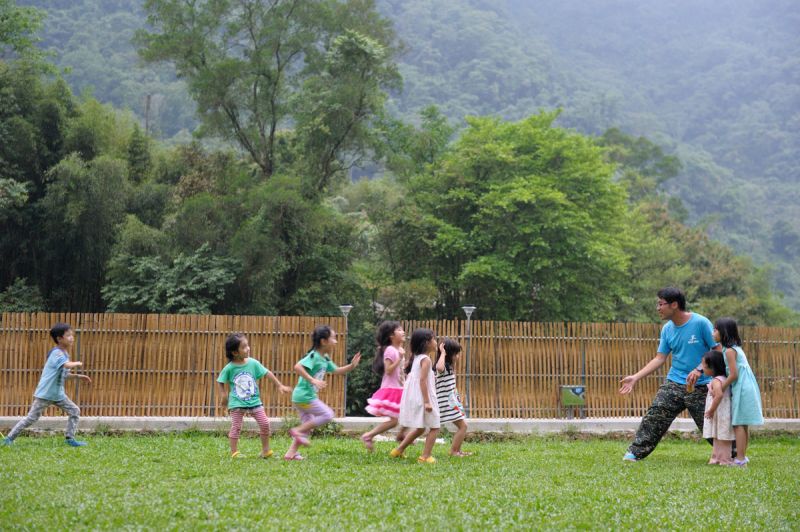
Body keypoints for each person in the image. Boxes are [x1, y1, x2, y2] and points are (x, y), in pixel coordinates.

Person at [619, 287, 718, 461]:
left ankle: (732, 453)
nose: (658, 308)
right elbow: (659, 358)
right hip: (674, 382)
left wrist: (699, 369)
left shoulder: (701, 323)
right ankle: (636, 452)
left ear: (674, 305)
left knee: (709, 425)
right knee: (655, 415)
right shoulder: (667, 329)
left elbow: (716, 349)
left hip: (702, 384)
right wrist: (635, 377)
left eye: (660, 304)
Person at [2, 323, 92, 447]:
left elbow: (64, 374)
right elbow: (66, 365)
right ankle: (9, 439)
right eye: (68, 335)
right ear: (59, 339)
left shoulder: (65, 355)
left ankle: (70, 439)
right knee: (31, 418)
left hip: (58, 394)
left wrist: (78, 377)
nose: (72, 338)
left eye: (72, 335)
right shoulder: (57, 353)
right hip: (45, 394)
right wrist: (77, 363)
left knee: (74, 411)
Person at [284, 325, 361, 461]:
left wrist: (352, 366)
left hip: (304, 397)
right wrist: (312, 380)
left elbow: (337, 370)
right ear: (324, 341)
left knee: (308, 425)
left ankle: (291, 454)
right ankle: (297, 431)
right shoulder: (313, 356)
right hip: (304, 397)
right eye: (333, 338)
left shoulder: (324, 358)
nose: (336, 341)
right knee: (328, 414)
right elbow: (297, 366)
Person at [216, 333, 291, 458]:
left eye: (247, 345)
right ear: (235, 352)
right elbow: (220, 381)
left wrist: (279, 385)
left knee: (265, 424)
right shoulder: (229, 368)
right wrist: (224, 396)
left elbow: (267, 373)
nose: (248, 348)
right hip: (237, 402)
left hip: (255, 401)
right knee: (236, 427)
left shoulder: (253, 363)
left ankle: (265, 451)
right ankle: (234, 452)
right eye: (244, 347)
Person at [713, 317, 764, 466]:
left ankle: (740, 459)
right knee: (742, 423)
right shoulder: (732, 348)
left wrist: (720, 388)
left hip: (742, 387)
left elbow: (734, 374)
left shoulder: (729, 351)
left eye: (715, 329)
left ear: (723, 332)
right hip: (745, 386)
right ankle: (742, 457)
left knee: (738, 423)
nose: (713, 332)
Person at [390, 328, 440, 464]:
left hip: (417, 397)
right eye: (434, 339)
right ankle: (425, 456)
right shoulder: (426, 360)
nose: (436, 342)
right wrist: (427, 402)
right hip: (424, 397)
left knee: (420, 428)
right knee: (435, 426)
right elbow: (422, 380)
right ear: (427, 343)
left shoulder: (417, 358)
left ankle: (398, 450)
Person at [361, 321, 407, 451]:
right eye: (399, 330)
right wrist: (399, 358)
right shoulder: (391, 350)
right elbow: (388, 370)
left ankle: (402, 434)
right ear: (391, 336)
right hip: (391, 389)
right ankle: (369, 435)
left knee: (407, 413)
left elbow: (400, 370)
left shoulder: (398, 350)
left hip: (399, 387)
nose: (403, 332)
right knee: (394, 420)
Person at [435, 338, 471, 457]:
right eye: (456, 354)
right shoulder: (443, 368)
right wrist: (443, 353)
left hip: (452, 402)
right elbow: (439, 368)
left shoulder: (449, 368)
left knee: (462, 426)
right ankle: (454, 451)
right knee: (463, 426)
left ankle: (457, 450)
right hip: (447, 404)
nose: (458, 357)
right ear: (449, 354)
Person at [701, 350, 735, 465]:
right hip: (720, 412)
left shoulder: (716, 380)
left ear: (713, 368)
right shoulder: (722, 379)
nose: (703, 369)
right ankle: (716, 458)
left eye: (704, 367)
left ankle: (724, 459)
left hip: (720, 412)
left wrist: (711, 410)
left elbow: (719, 395)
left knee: (723, 436)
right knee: (718, 435)